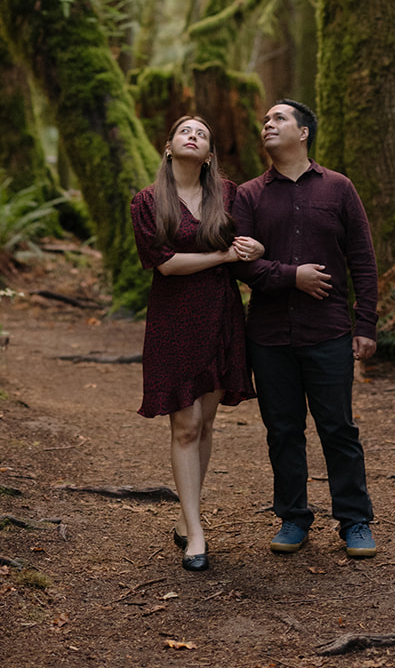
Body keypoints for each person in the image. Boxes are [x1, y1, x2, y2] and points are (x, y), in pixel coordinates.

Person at [231, 99, 379, 559]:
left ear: (304, 132)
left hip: (329, 331)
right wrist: (291, 275)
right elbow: (243, 267)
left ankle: (354, 521)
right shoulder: (249, 195)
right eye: (265, 121)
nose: (268, 125)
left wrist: (366, 323)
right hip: (270, 335)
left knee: (338, 428)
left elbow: (362, 259)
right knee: (283, 430)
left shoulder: (338, 188)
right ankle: (293, 517)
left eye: (279, 119)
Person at [131, 115, 264, 572]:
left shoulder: (228, 196)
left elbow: (251, 243)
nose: (193, 135)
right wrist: (224, 256)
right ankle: (197, 531)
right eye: (185, 131)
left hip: (221, 316)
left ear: (209, 154)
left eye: (202, 133)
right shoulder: (147, 202)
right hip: (173, 322)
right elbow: (164, 264)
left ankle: (187, 518)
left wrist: (253, 251)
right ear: (168, 146)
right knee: (184, 426)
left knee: (205, 424)